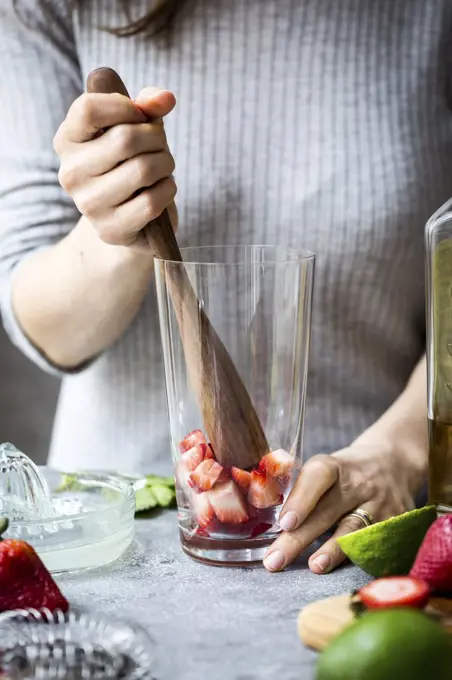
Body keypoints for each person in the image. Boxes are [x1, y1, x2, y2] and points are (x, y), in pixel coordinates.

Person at [0, 0, 449, 575]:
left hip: (365, 533)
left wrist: (406, 449)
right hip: (114, 549)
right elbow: (45, 329)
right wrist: (113, 231)